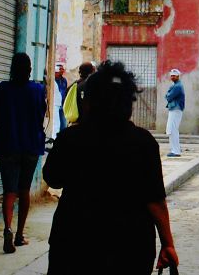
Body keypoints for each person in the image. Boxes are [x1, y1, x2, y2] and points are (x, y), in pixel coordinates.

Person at [43, 60, 179, 274]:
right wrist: (168, 244)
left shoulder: (70, 139)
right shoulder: (143, 143)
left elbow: (53, 178)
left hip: (74, 242)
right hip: (130, 247)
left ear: (89, 102)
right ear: (129, 103)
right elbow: (156, 201)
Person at [0, 52, 46, 253]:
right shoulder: (38, 90)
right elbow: (41, 115)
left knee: (9, 191)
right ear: (29, 70)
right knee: (24, 190)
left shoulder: (3, 89)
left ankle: (7, 229)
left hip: (8, 145)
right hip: (30, 146)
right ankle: (20, 234)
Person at [63, 61, 94, 126]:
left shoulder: (73, 86)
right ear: (92, 72)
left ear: (80, 72)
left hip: (74, 123)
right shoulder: (92, 86)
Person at [164, 68, 185, 157]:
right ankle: (175, 149)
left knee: (172, 130)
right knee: (172, 130)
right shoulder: (176, 85)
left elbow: (168, 97)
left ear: (177, 76)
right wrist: (168, 94)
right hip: (174, 109)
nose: (172, 77)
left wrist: (168, 94)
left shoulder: (177, 86)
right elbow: (168, 95)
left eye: (174, 76)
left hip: (176, 109)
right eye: (171, 75)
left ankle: (176, 151)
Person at [54, 64, 68, 132]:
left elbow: (64, 91)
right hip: (55, 104)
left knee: (63, 123)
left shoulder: (64, 80)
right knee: (56, 123)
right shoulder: (53, 81)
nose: (62, 70)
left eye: (62, 69)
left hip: (63, 104)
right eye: (60, 69)